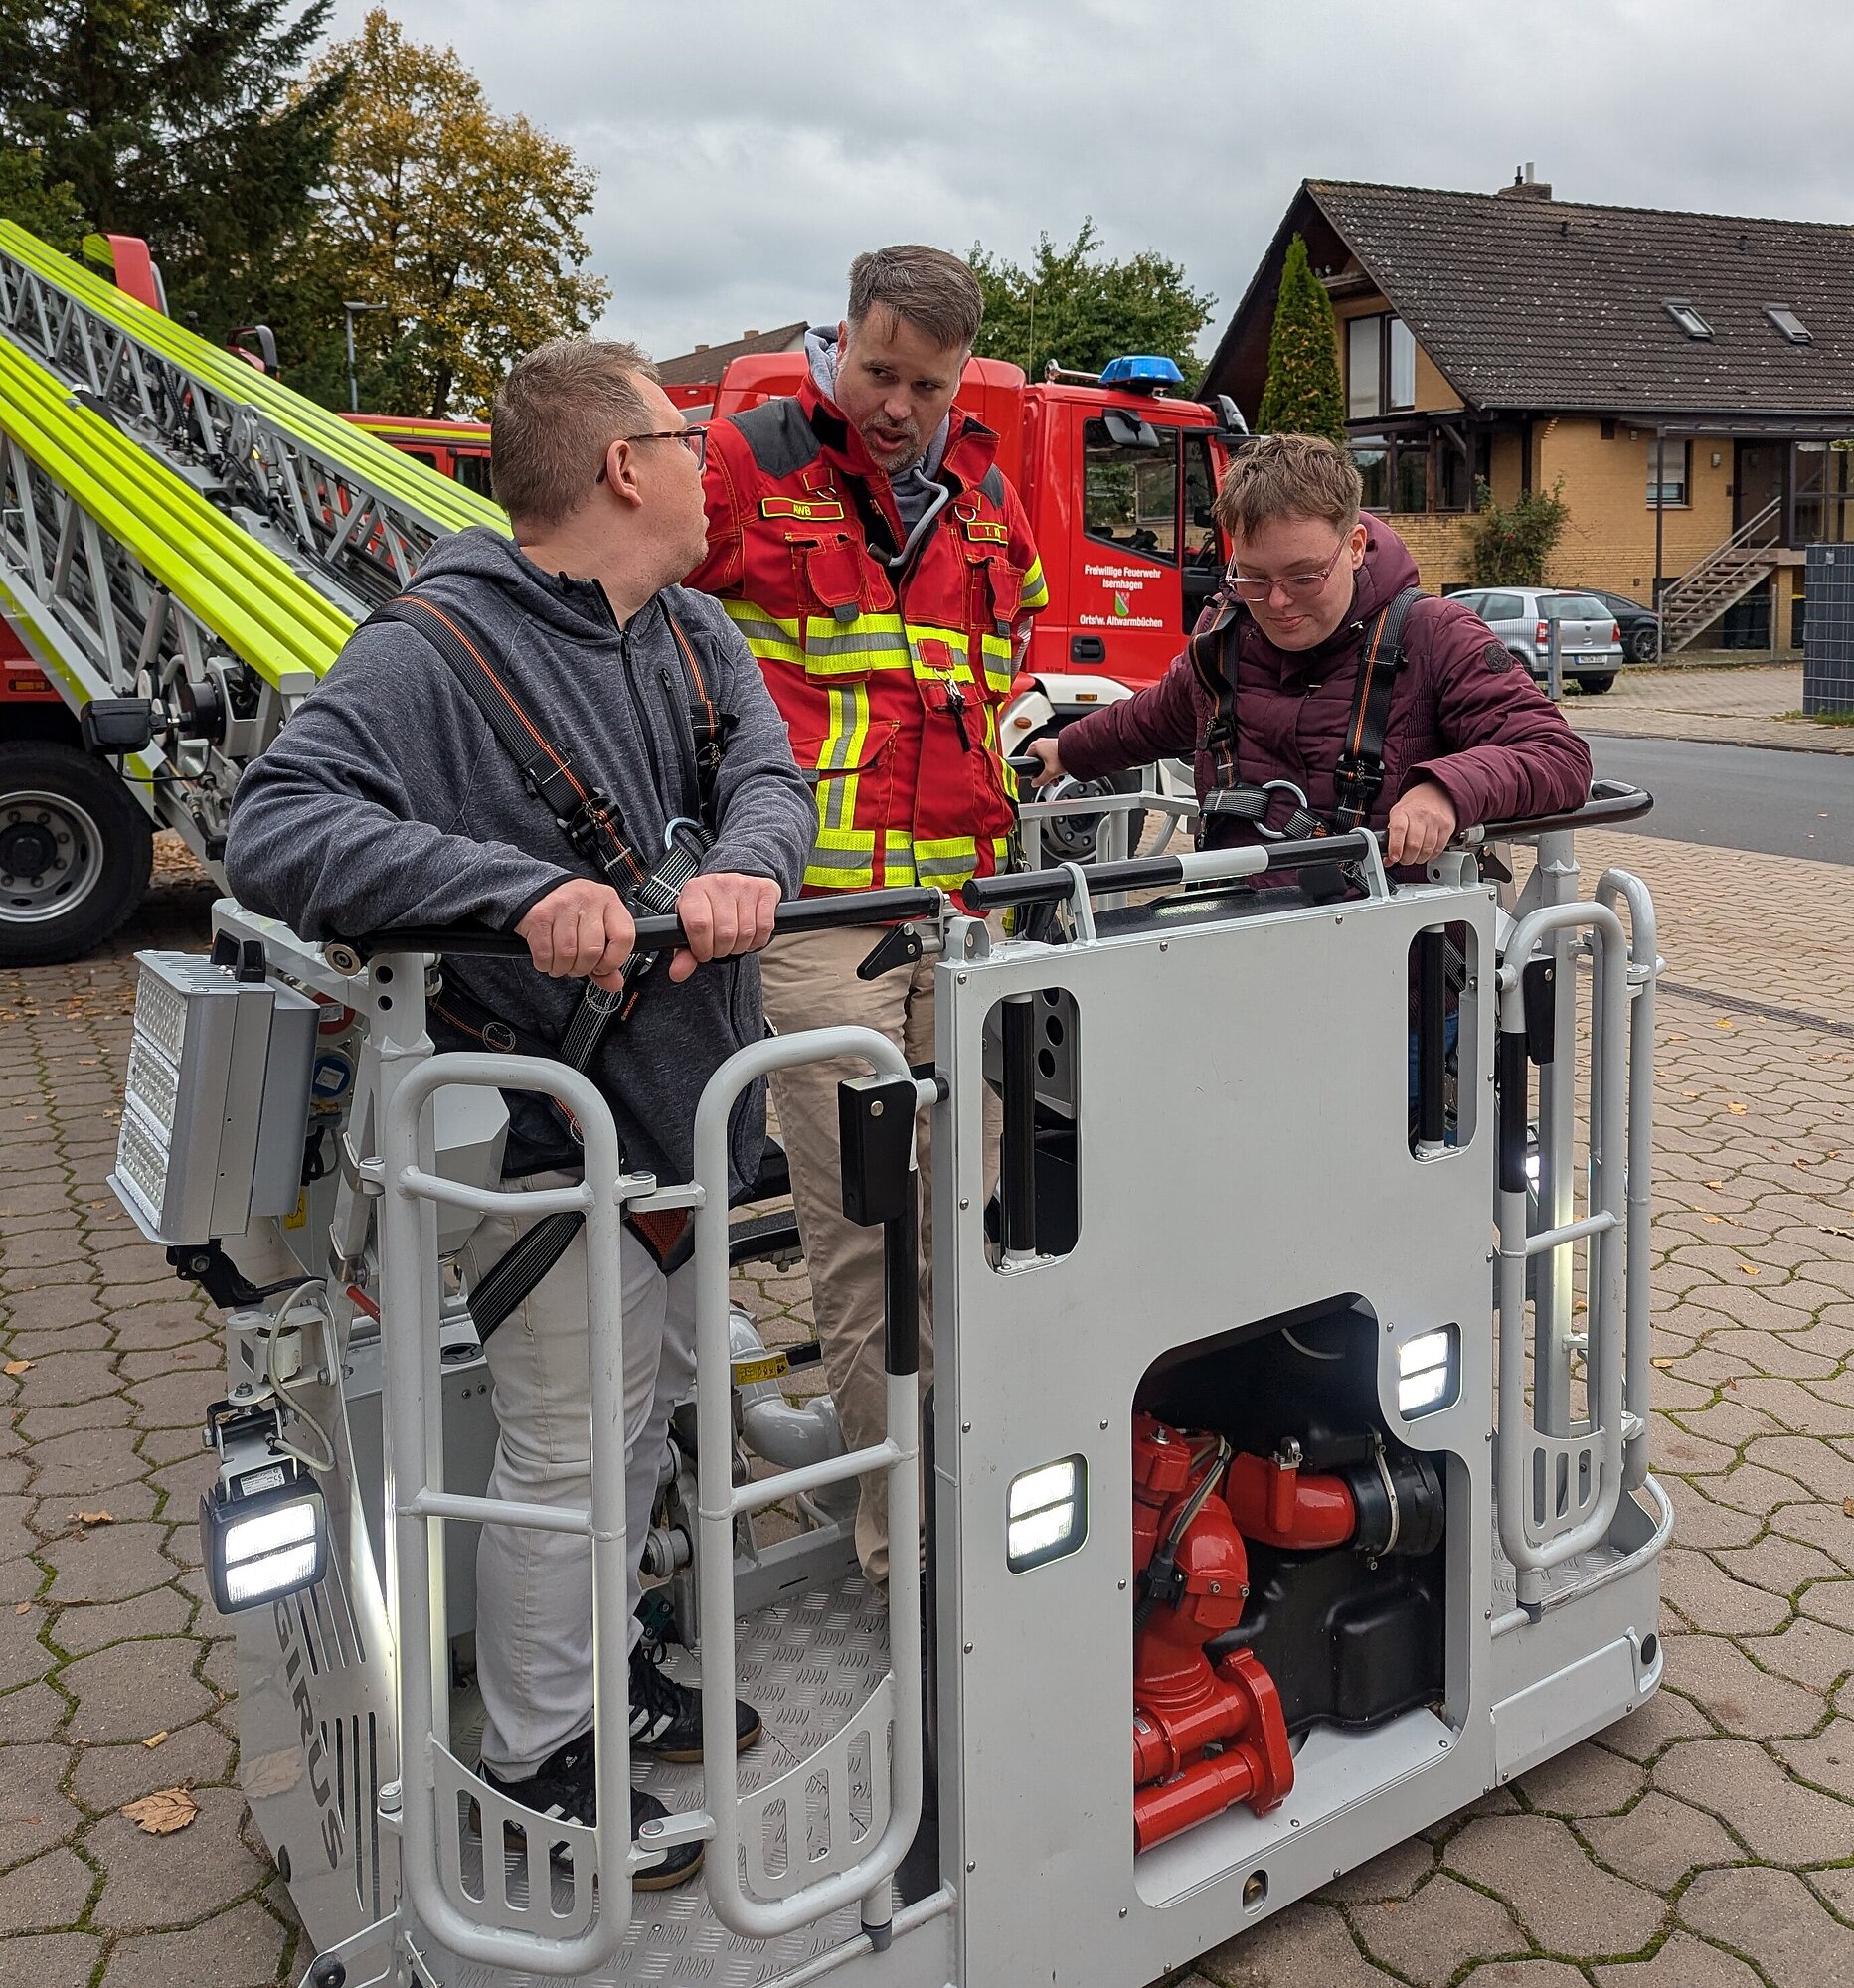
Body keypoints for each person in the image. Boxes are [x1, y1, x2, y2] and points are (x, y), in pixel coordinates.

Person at [227, 337, 817, 1888]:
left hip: (691, 1124)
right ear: (624, 465)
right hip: (557, 1141)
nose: (709, 459)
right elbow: (274, 830)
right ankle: (541, 1767)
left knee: (634, 1443)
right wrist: (522, 891)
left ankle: (606, 1679)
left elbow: (773, 776)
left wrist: (754, 860)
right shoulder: (432, 648)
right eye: (687, 435)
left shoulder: (694, 633)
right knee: (576, 1453)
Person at [687, 246, 1046, 1584]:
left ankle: (970, 1474)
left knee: (980, 1215)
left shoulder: (991, 498)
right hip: (817, 922)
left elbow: (997, 674)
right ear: (837, 339)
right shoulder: (739, 466)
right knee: (871, 1231)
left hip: (956, 913)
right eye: (877, 368)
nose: (896, 404)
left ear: (963, 377)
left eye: (927, 383)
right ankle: (910, 1552)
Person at [1031, 431, 1592, 868]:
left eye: (1303, 577)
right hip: (1241, 939)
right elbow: (1153, 718)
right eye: (1252, 576)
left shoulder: (1436, 636)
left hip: (1394, 969)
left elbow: (1559, 756)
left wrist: (1444, 791)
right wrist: (1068, 750)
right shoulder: (1222, 637)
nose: (1276, 603)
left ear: (1353, 547)